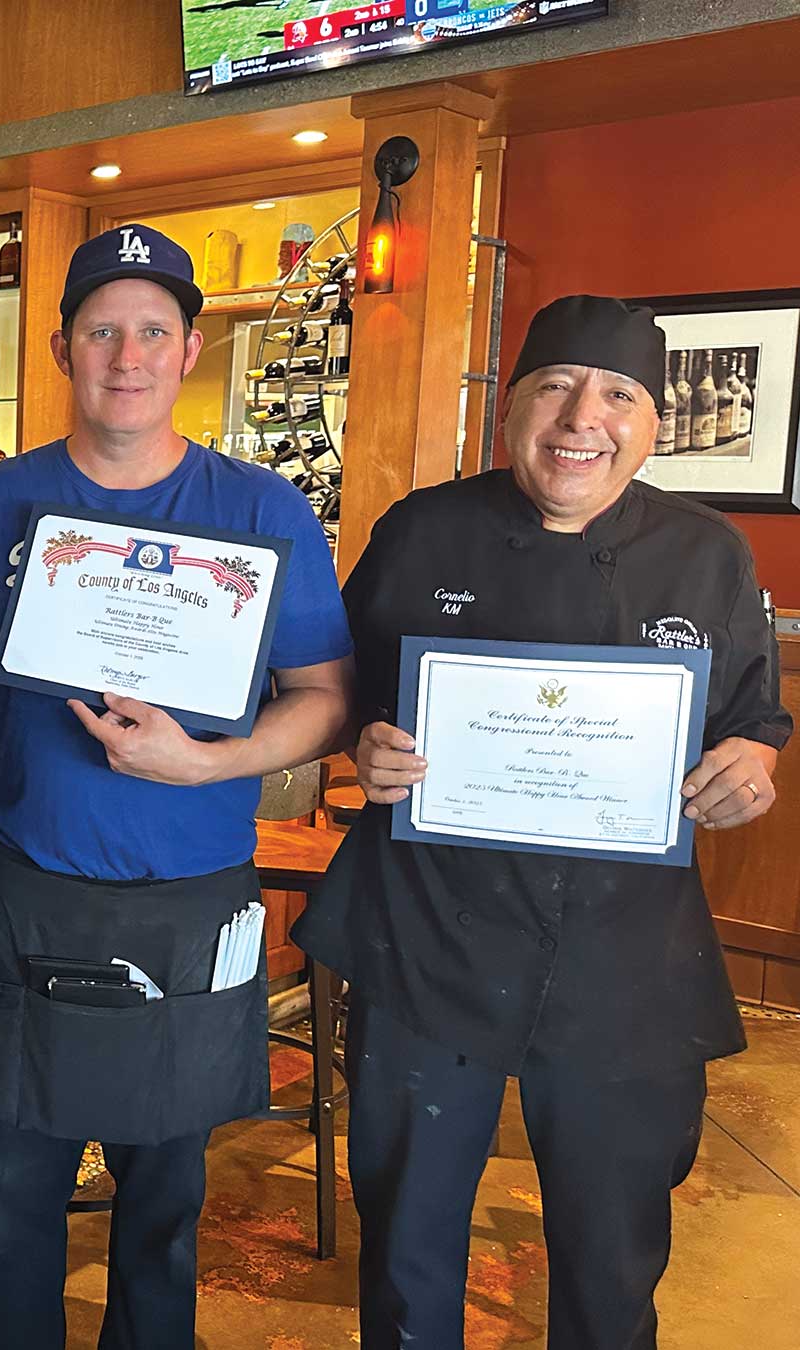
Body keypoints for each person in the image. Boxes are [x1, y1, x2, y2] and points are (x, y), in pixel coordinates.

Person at [294, 294, 789, 1350]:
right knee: (407, 1243)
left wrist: (752, 767)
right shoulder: (422, 530)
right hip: (429, 938)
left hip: (623, 950)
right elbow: (338, 695)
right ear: (510, 406)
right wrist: (359, 745)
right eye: (556, 387)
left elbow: (754, 721)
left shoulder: (708, 553)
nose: (581, 419)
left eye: (618, 396)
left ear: (654, 424)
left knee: (613, 1260)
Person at [0, 223, 354, 1348]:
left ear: (191, 349)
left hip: (193, 900)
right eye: (103, 331)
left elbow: (324, 697)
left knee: (165, 1214)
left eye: (154, 331)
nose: (128, 356)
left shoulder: (262, 511)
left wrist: (205, 760)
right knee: (9, 1204)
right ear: (61, 348)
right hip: (27, 892)